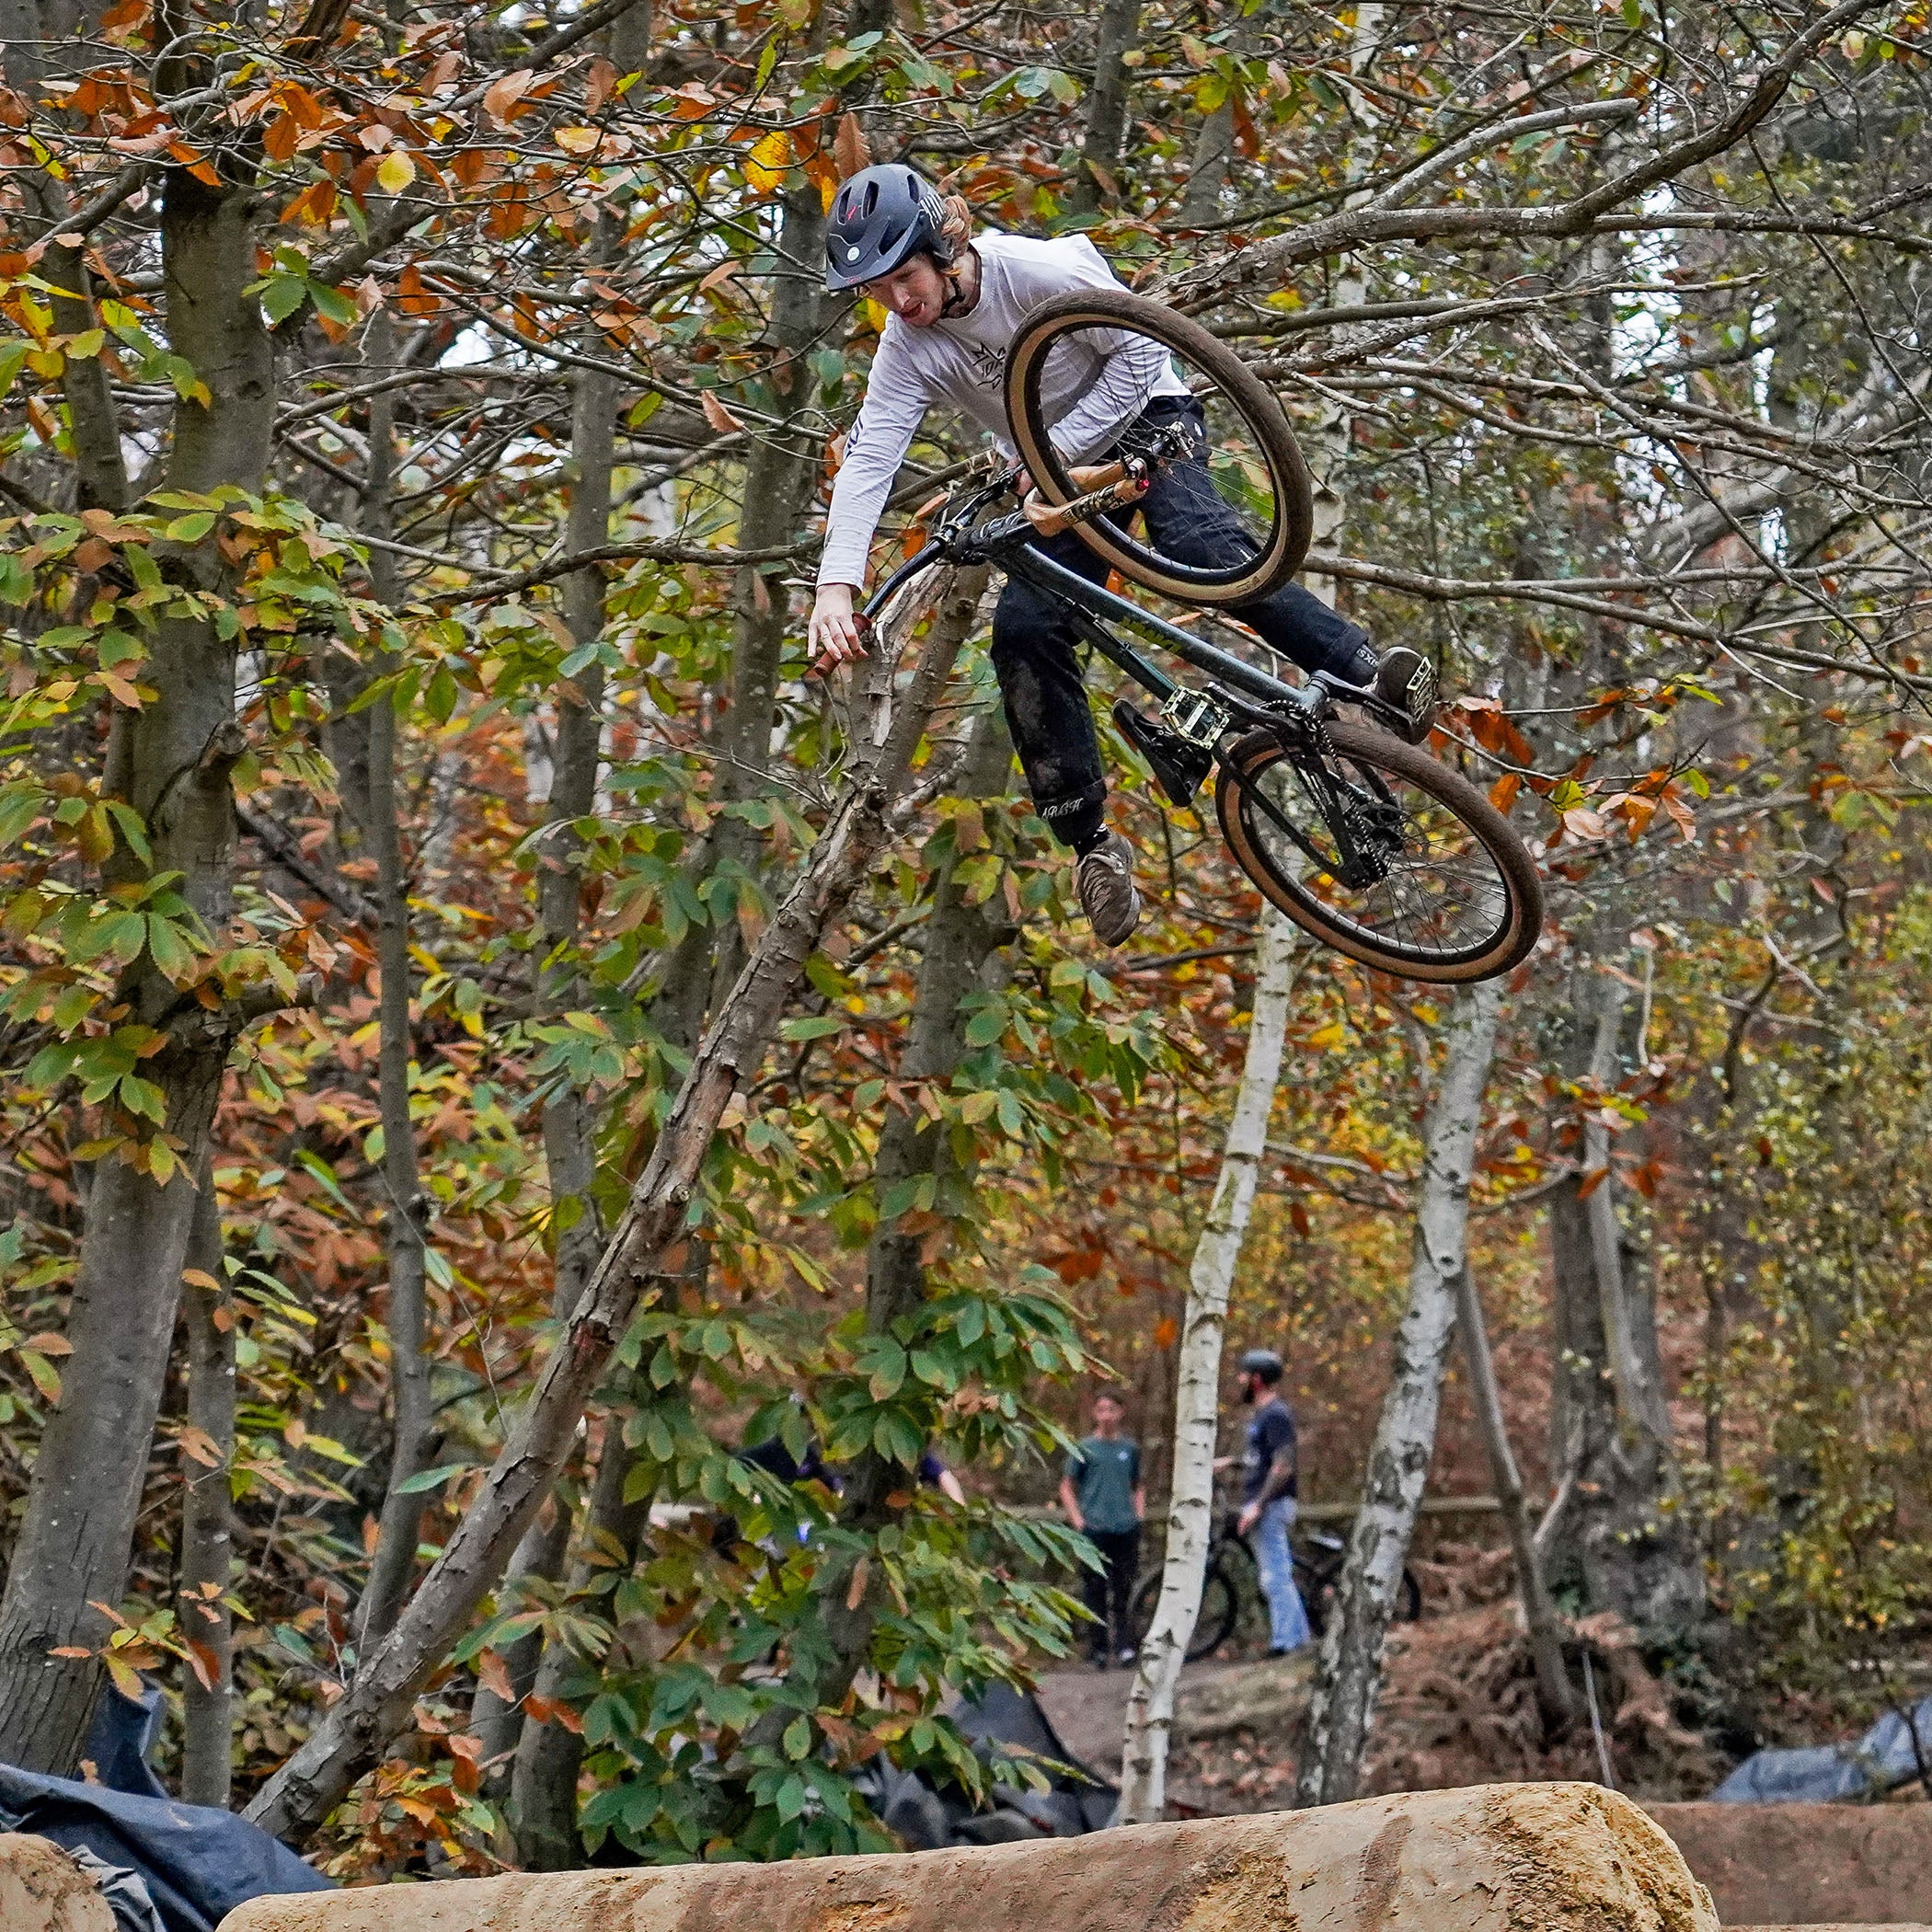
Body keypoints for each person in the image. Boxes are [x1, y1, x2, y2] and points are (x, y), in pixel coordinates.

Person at [807, 162, 1432, 949]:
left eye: (905, 278)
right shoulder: (907, 347)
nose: (900, 303)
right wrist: (837, 587)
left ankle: (1364, 674)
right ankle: (1091, 844)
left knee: (1200, 547)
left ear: (943, 243)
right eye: (878, 291)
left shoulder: (1042, 271)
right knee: (1025, 633)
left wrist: (1051, 456)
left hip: (1145, 421)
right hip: (1054, 478)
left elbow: (1142, 358)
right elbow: (870, 459)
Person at [1058, 1390, 1145, 1668]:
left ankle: (1125, 1647)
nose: (1106, 1415)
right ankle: (1098, 1650)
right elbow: (1067, 1486)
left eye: (1111, 1409)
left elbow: (1138, 1484)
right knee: (1094, 1590)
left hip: (1124, 1527)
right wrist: (1078, 1521)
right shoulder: (1084, 1448)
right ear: (1095, 1414)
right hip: (1093, 1528)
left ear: (1120, 1412)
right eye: (1101, 1410)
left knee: (1124, 1590)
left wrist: (1138, 1515)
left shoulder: (1129, 1449)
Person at [1234, 1346, 1310, 1657]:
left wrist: (1258, 1505)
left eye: (1242, 1374)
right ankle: (1297, 1636)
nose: (1237, 1380)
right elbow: (1260, 1460)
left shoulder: (1276, 1414)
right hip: (1261, 1503)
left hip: (1271, 1506)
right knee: (1273, 1574)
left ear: (1256, 1380)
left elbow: (1283, 1464)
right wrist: (1230, 1462)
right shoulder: (1262, 1415)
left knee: (1275, 1576)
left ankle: (1286, 1643)